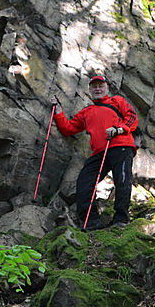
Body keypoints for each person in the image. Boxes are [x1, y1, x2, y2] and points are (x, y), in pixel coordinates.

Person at [53, 73, 138, 230]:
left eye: (101, 86)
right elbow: (68, 129)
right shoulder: (87, 112)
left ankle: (121, 219)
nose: (98, 89)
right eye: (94, 87)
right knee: (84, 182)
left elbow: (132, 117)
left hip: (122, 146)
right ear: (90, 90)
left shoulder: (117, 101)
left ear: (107, 88)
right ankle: (91, 222)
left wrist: (119, 129)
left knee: (122, 181)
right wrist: (58, 111)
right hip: (99, 152)